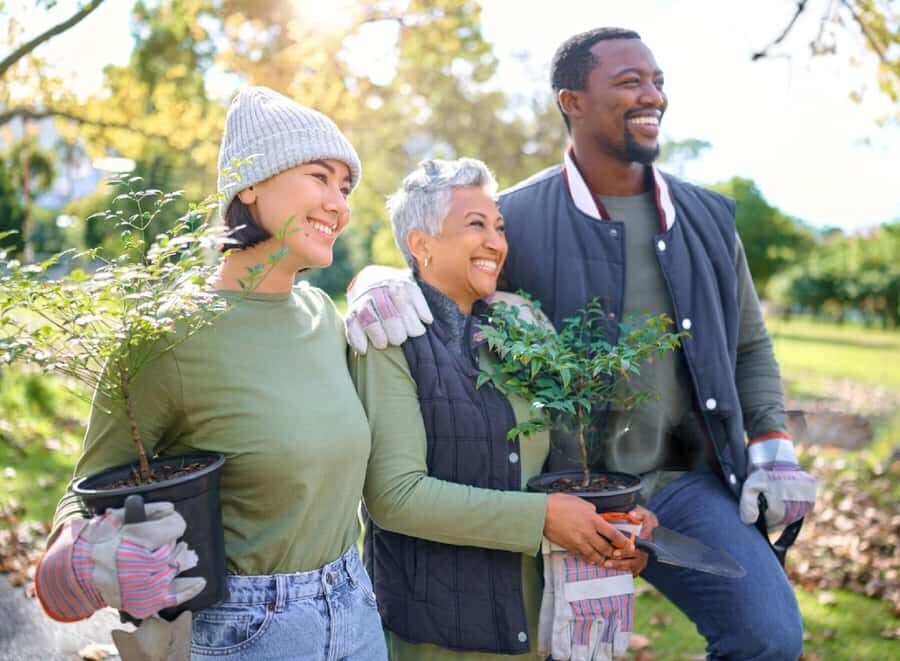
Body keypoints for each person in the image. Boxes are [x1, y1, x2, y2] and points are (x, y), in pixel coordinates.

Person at [345, 28, 818, 660]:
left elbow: (750, 348)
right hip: (561, 486)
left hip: (686, 485)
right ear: (572, 101)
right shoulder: (516, 217)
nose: (653, 96)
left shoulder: (710, 219)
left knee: (770, 637)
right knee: (572, 649)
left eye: (658, 82)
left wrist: (774, 449)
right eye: (630, 82)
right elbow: (443, 277)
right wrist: (376, 281)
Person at [33, 86, 388, 660]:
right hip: (244, 631)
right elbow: (87, 490)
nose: (339, 205)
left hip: (356, 609)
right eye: (320, 178)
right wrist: (78, 560)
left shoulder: (323, 317)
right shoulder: (169, 335)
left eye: (345, 188)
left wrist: (381, 281)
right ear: (250, 184)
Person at [352, 157, 654, 660]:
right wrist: (541, 517)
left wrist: (616, 519)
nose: (496, 242)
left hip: (533, 622)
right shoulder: (387, 334)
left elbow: (566, 458)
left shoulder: (520, 327)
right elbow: (395, 497)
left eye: (499, 227)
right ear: (421, 244)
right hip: (433, 632)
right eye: (476, 225)